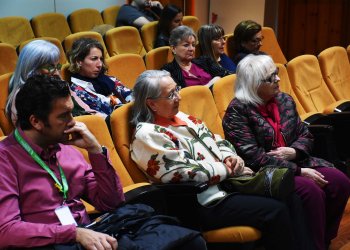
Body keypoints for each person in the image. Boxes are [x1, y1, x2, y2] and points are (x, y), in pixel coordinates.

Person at [0, 75, 207, 249]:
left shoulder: (66, 148)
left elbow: (111, 202)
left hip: (89, 233)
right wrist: (72, 234)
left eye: (72, 112)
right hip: (53, 243)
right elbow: (6, 231)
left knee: (190, 241)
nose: (73, 121)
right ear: (36, 121)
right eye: (64, 116)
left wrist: (96, 151)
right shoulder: (5, 159)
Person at [129, 69, 302, 250]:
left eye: (177, 89)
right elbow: (178, 173)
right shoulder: (147, 135)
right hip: (200, 201)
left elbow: (217, 140)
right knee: (275, 211)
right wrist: (227, 169)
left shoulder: (180, 117)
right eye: (171, 94)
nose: (178, 97)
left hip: (227, 186)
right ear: (152, 104)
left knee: (292, 197)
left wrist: (230, 157)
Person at [222, 54, 350, 250]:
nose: (278, 79)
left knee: (340, 182)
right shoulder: (237, 112)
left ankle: (324, 238)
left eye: (277, 73)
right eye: (271, 77)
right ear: (254, 84)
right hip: (264, 173)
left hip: (297, 161)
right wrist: (297, 171)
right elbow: (253, 158)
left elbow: (305, 134)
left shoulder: (284, 100)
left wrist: (294, 151)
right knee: (311, 192)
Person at [5, 40, 97, 125]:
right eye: (50, 67)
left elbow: (86, 109)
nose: (56, 72)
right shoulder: (23, 96)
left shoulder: (58, 83)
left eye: (58, 66)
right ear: (32, 68)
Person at [67, 38, 133, 117]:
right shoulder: (77, 92)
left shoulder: (109, 79)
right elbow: (103, 118)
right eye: (94, 59)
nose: (100, 64)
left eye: (101, 59)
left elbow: (129, 94)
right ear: (78, 61)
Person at [161, 25, 231, 88]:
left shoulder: (205, 60)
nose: (191, 49)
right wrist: (209, 85)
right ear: (174, 49)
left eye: (193, 45)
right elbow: (180, 94)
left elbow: (225, 74)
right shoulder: (168, 71)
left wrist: (212, 83)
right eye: (186, 45)